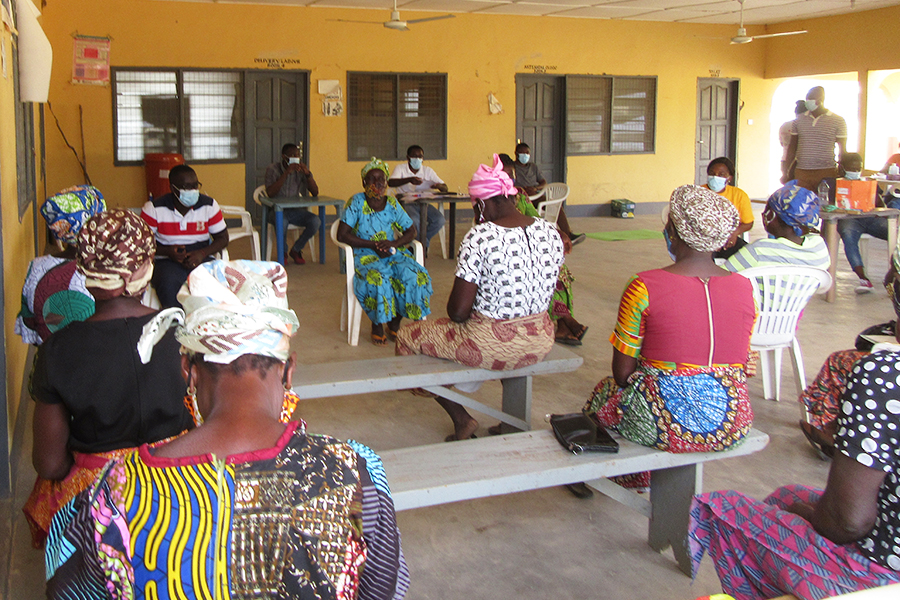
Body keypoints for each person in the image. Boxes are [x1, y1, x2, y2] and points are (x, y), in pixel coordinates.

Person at [45, 259, 410, 600]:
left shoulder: (114, 494)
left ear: (187, 369)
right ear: (288, 369)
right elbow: (384, 588)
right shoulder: (356, 473)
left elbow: (65, 586)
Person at [689, 269, 900, 599]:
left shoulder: (885, 374)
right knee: (786, 496)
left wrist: (807, 516)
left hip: (880, 575)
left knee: (717, 507)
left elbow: (848, 522)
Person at [24, 209, 193, 548]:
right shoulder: (185, 335)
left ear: (84, 270)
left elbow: (50, 462)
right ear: (145, 268)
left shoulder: (57, 349)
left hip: (99, 501)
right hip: (180, 488)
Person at [583, 185, 755, 489]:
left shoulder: (644, 287)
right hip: (733, 420)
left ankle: (618, 475)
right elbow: (741, 364)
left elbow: (622, 374)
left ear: (673, 231)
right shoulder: (745, 289)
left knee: (605, 394)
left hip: (663, 424)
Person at [396, 156, 565, 442]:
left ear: (484, 203)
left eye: (476, 206)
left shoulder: (481, 236)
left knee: (409, 335)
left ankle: (462, 418)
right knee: (474, 336)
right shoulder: (550, 231)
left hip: (492, 344)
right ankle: (510, 420)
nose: (476, 213)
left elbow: (458, 312)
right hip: (539, 338)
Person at [337, 157, 433, 346]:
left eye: (381, 179)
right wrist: (373, 245)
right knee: (378, 277)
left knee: (414, 275)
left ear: (386, 182)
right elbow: (342, 234)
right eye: (372, 179)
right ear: (364, 182)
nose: (377, 183)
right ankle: (377, 324)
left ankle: (394, 323)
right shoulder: (356, 202)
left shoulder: (392, 204)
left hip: (391, 251)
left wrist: (394, 244)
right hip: (364, 254)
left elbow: (410, 230)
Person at [498, 153, 587, 345]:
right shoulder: (492, 199)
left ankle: (563, 326)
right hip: (508, 251)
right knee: (539, 271)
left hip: (532, 247)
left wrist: (559, 233)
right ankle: (567, 321)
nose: (509, 179)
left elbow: (537, 219)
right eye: (505, 175)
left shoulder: (520, 195)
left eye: (511, 175)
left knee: (559, 270)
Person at [15, 185, 105, 345]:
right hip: (95, 363)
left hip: (49, 362)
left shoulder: (36, 267)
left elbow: (30, 327)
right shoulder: (105, 271)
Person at [141, 164, 229, 308]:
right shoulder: (154, 209)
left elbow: (223, 238)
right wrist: (168, 252)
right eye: (186, 187)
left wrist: (201, 253)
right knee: (168, 283)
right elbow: (141, 244)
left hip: (201, 256)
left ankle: (208, 319)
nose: (192, 191)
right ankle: (176, 320)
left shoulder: (209, 205)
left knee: (213, 283)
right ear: (173, 188)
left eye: (195, 186)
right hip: (166, 260)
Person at [724, 181, 829, 272]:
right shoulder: (819, 247)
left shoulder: (759, 251)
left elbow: (717, 277)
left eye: (767, 210)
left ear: (772, 216)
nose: (763, 214)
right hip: (798, 296)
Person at [837, 153, 899, 293]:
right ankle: (863, 279)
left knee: (896, 235)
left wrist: (870, 194)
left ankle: (894, 274)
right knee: (848, 237)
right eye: (852, 168)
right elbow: (828, 204)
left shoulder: (868, 182)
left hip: (871, 219)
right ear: (843, 167)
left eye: (858, 168)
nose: (855, 171)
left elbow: (880, 205)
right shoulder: (833, 182)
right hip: (849, 219)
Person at [513, 142, 585, 245]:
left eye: (527, 153)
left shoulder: (533, 167)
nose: (525, 155)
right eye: (522, 153)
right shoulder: (513, 167)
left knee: (554, 205)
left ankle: (568, 235)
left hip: (536, 195)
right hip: (521, 197)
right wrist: (521, 189)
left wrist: (535, 188)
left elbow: (543, 182)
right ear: (516, 154)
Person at [782, 86, 848, 194]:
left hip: (826, 171)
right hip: (802, 172)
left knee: (823, 204)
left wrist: (842, 170)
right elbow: (792, 148)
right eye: (807, 98)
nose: (808, 102)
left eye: (811, 98)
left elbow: (842, 149)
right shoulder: (799, 120)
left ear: (821, 100)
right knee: (801, 204)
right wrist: (786, 172)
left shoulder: (838, 121)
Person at [265, 142, 321, 265]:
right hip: (275, 211)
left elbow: (315, 192)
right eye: (292, 155)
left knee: (315, 221)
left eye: (298, 155)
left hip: (295, 211)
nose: (296, 158)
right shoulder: (272, 169)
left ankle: (296, 250)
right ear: (284, 157)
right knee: (282, 221)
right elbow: (270, 193)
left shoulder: (300, 171)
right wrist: (286, 173)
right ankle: (283, 252)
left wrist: (307, 174)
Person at [388, 144, 447, 252]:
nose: (417, 159)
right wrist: (409, 179)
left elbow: (445, 188)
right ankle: (421, 247)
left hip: (423, 203)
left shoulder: (427, 171)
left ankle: (418, 246)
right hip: (406, 202)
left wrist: (438, 186)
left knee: (440, 220)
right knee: (415, 220)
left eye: (420, 157)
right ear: (408, 158)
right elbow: (391, 182)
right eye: (414, 156)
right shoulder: (400, 168)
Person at [705, 157, 753, 259]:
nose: (715, 177)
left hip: (729, 238)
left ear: (729, 178)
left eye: (721, 174)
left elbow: (748, 223)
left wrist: (734, 233)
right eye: (712, 173)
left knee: (748, 256)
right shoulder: (698, 193)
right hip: (704, 240)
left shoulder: (739, 195)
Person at [779, 100, 808, 182]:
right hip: (798, 163)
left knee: (788, 187)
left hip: (785, 160)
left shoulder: (784, 125)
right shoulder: (804, 126)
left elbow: (781, 143)